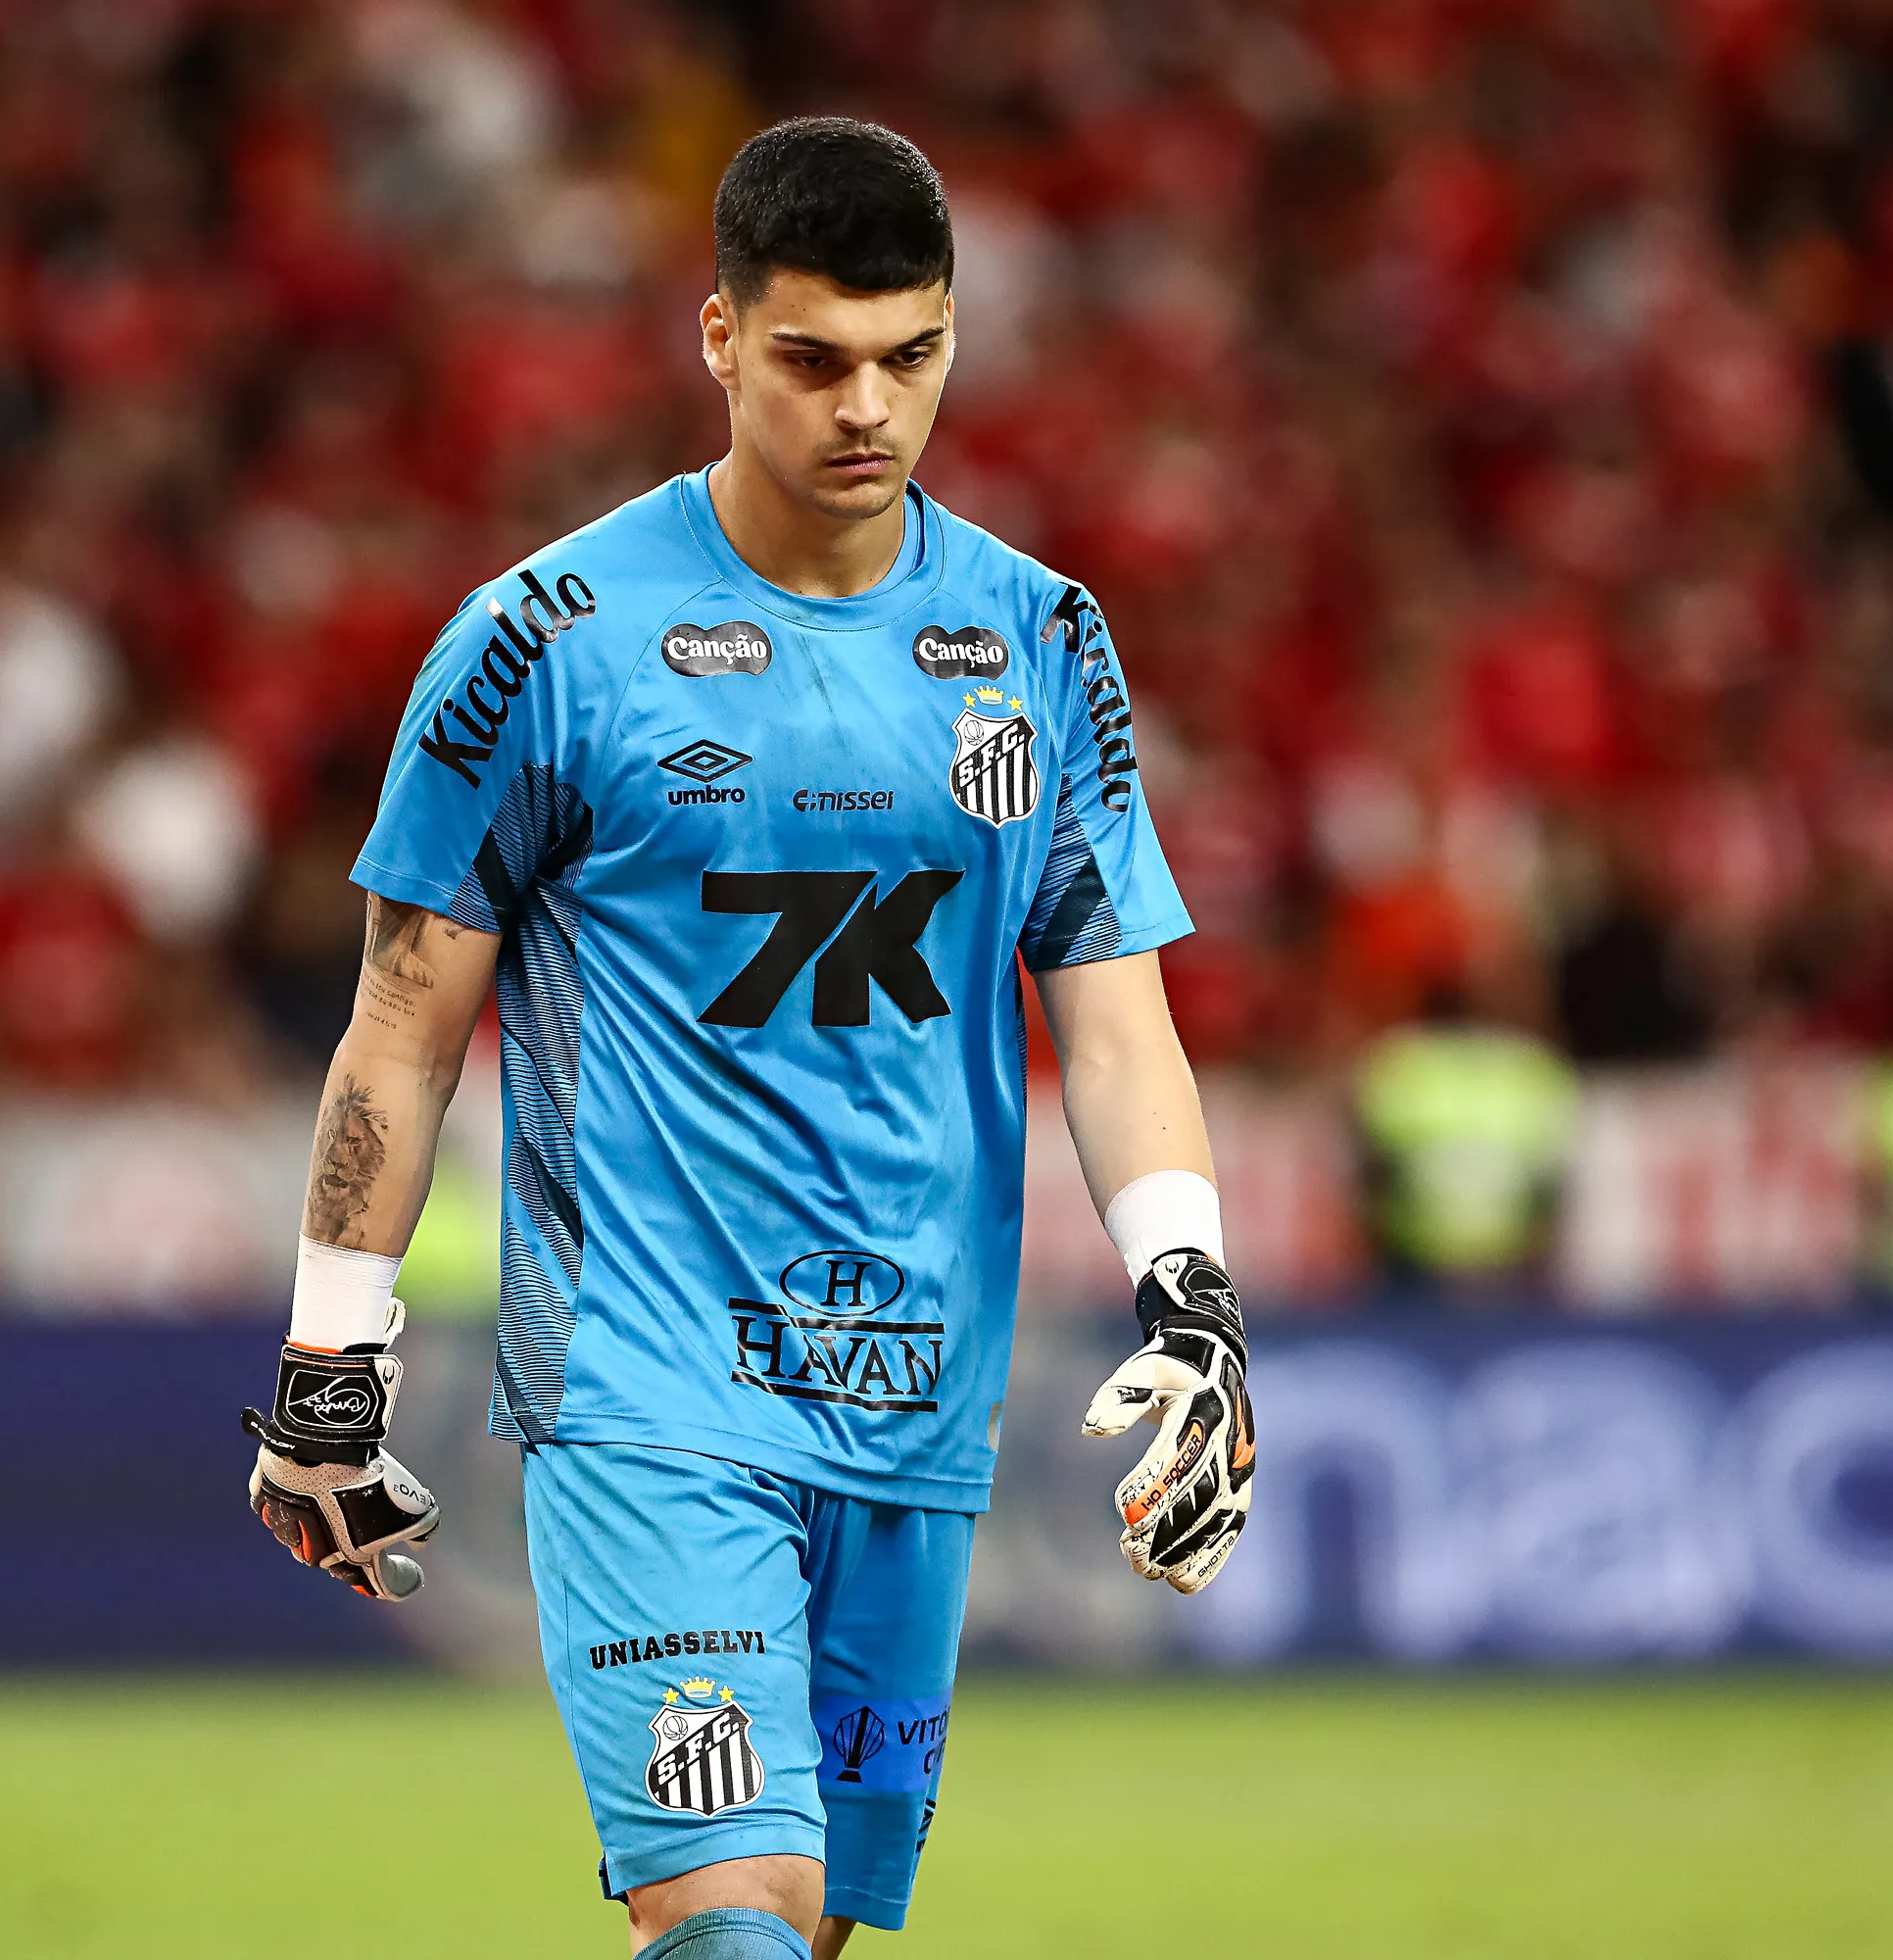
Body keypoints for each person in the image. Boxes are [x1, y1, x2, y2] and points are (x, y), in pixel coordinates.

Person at [239, 119, 1253, 1960]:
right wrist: (333, 1355)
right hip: (640, 1377)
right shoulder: (543, 639)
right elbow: (402, 1025)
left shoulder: (1041, 638)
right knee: (733, 1915)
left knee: (804, 1930)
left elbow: (1113, 1023)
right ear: (718, 338)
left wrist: (1192, 1293)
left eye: (911, 357)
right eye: (813, 359)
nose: (867, 408)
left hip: (918, 1391)